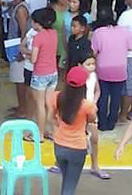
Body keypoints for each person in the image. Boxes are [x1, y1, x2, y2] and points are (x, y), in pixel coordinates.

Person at [49, 65, 97, 195]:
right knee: (70, 185)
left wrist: (58, 126)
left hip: (59, 145)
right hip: (77, 148)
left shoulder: (56, 97)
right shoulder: (87, 105)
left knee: (67, 180)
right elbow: (92, 119)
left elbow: (51, 118)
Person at [90, 5, 132, 131]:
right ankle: (111, 123)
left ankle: (102, 123)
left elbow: (94, 52)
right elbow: (130, 47)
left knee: (102, 97)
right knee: (115, 98)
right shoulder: (125, 31)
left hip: (103, 69)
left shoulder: (98, 33)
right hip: (120, 69)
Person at [29, 8, 59, 143]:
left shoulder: (37, 37)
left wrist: (25, 52)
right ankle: (53, 131)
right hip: (53, 72)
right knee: (50, 104)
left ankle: (39, 134)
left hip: (40, 74)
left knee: (39, 105)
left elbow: (34, 59)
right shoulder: (54, 33)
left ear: (37, 23)